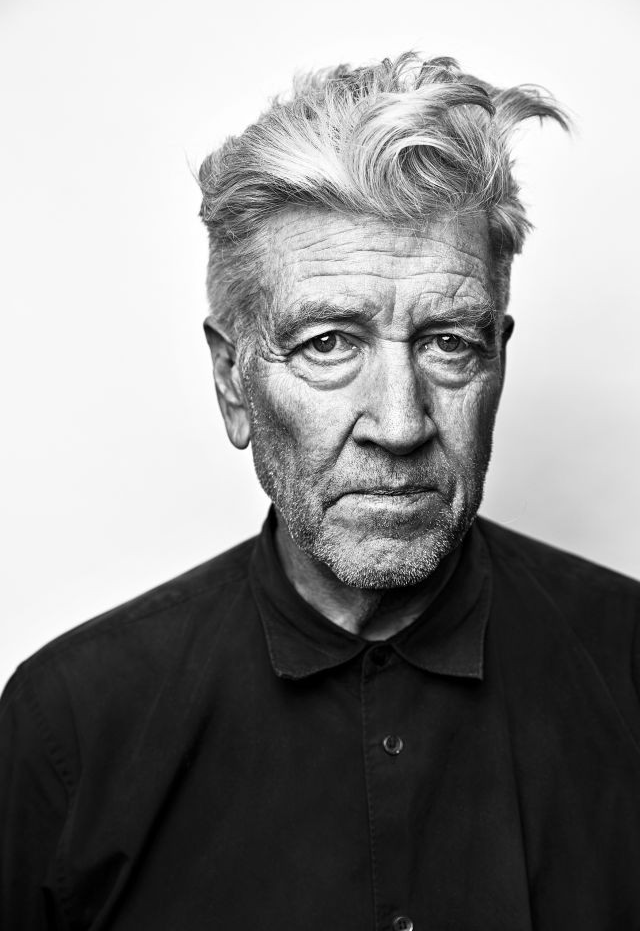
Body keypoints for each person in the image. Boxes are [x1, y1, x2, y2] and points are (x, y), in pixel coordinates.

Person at [1, 53, 639, 931]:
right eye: (329, 343)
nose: (401, 423)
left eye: (450, 343)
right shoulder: (69, 727)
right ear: (232, 382)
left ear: (498, 357)